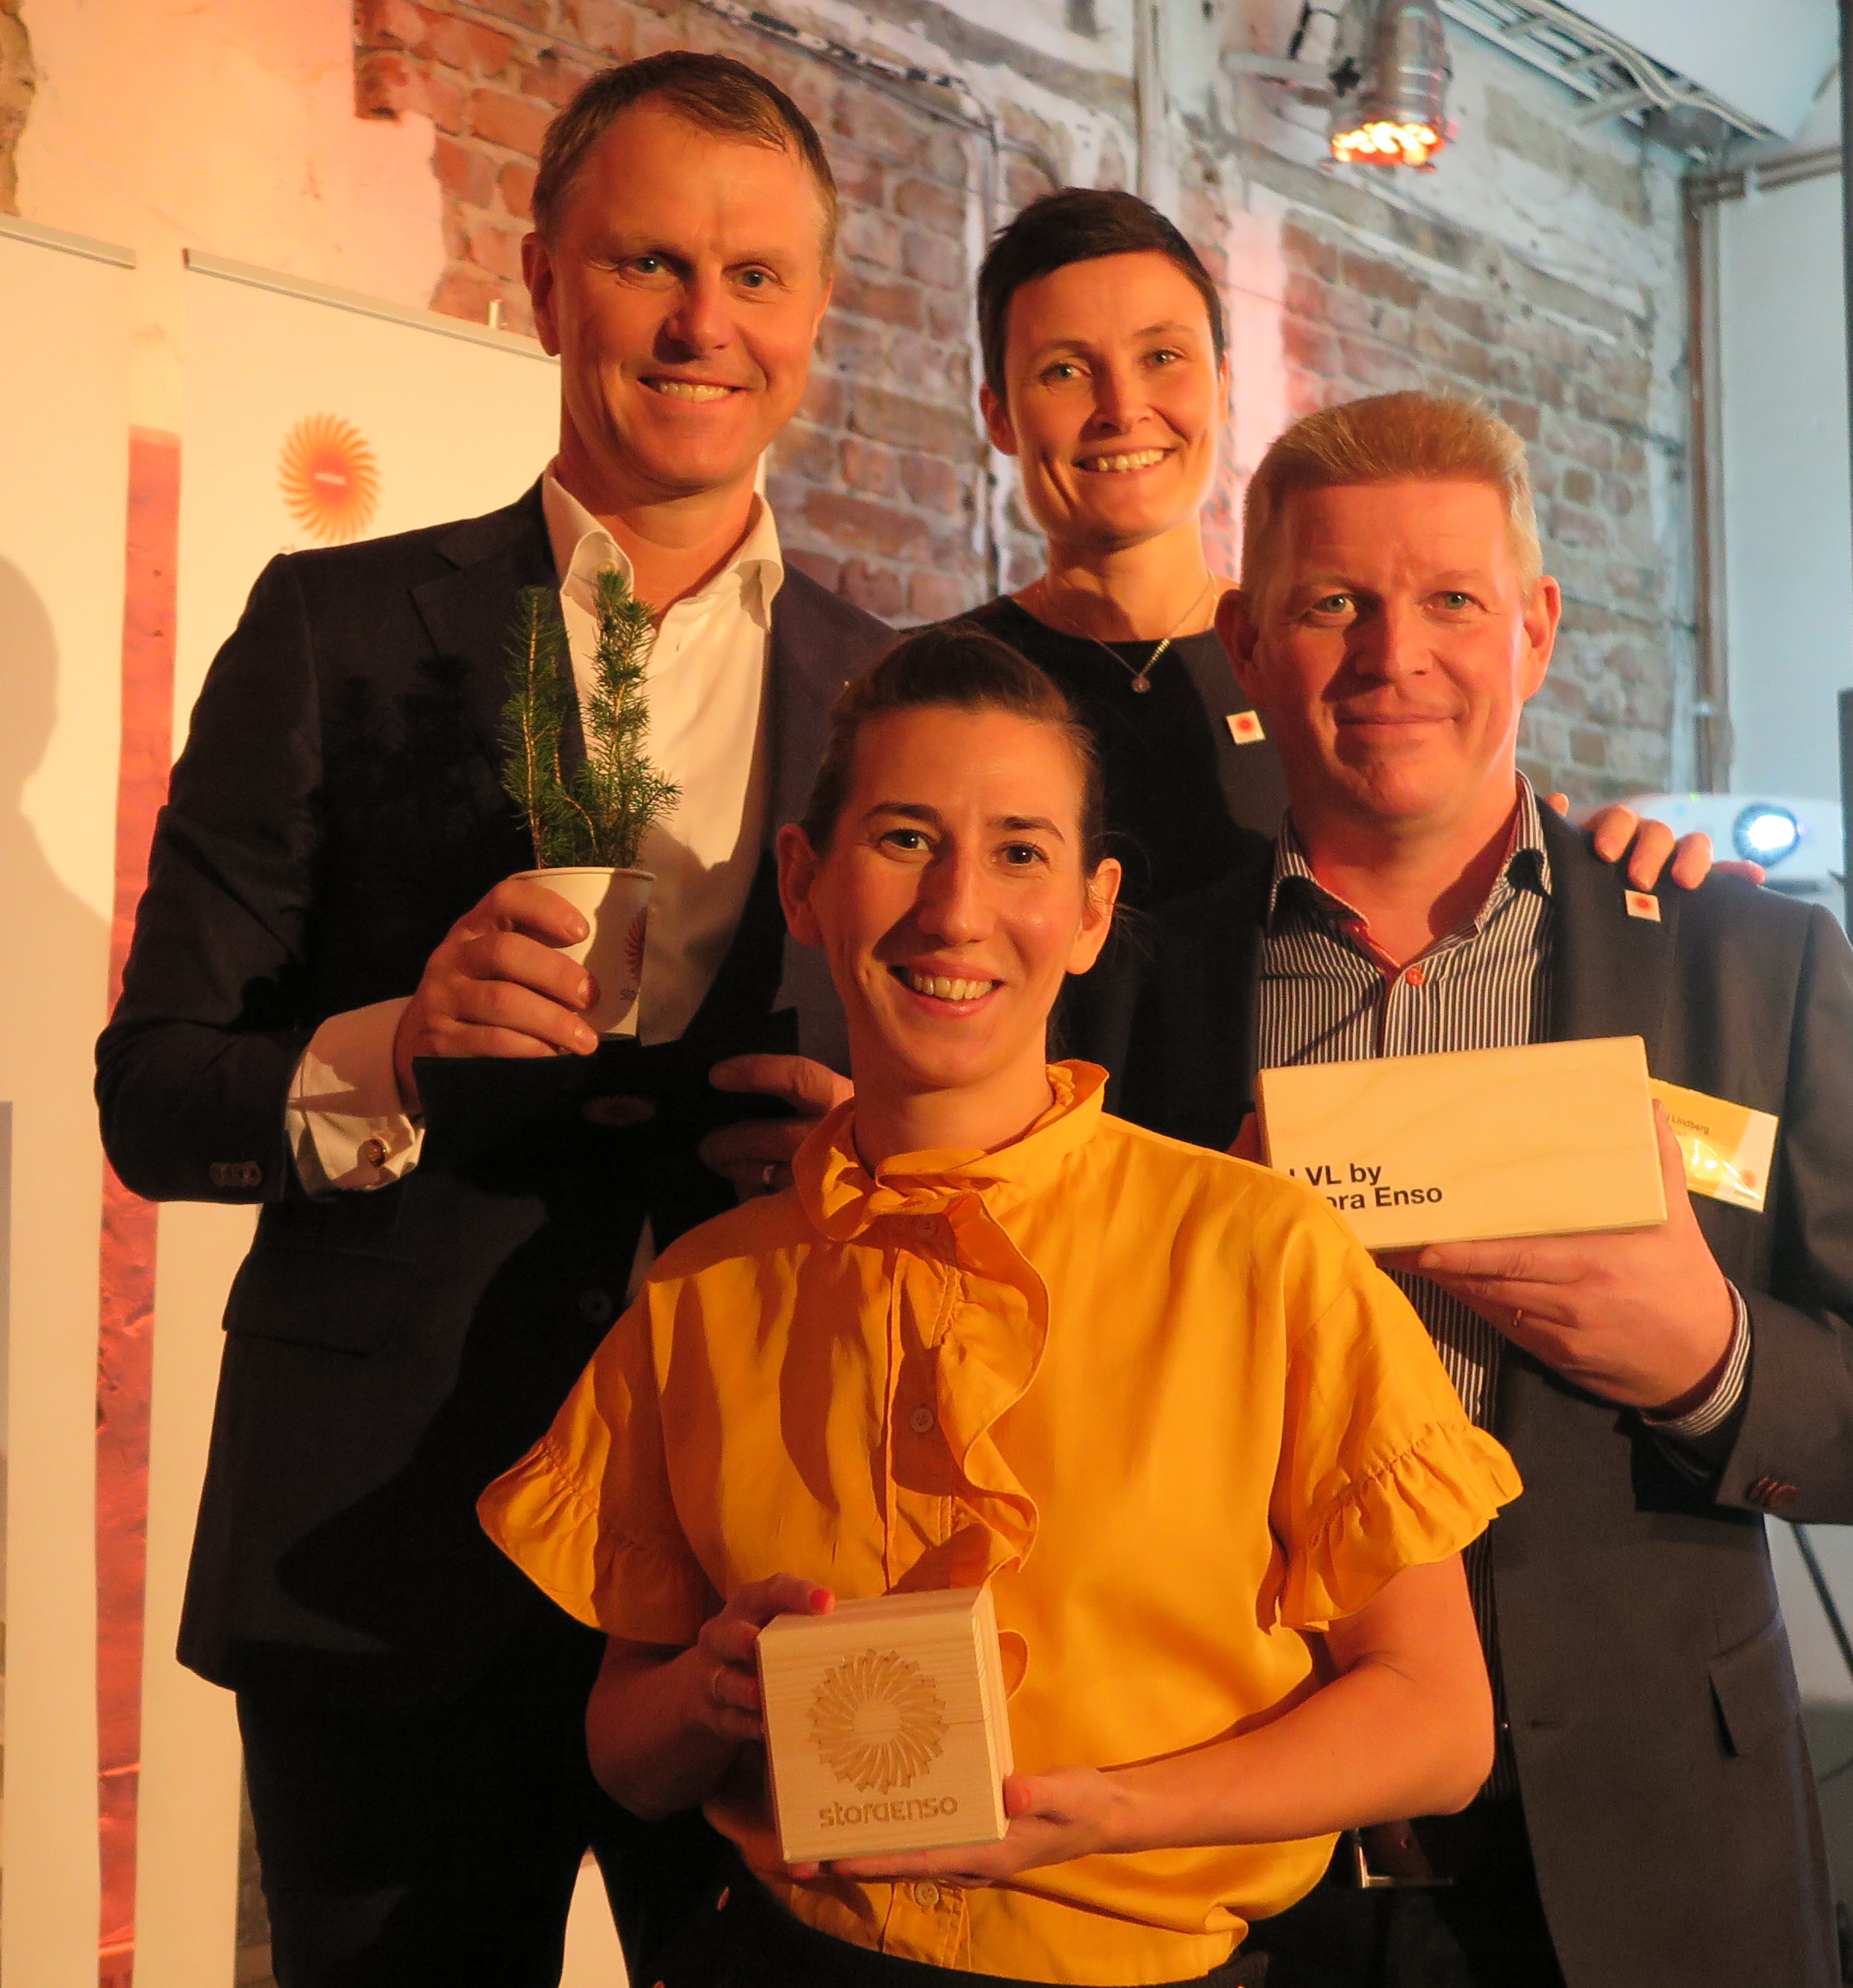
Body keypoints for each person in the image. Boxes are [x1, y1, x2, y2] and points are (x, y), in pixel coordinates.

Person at [95, 51, 892, 1987]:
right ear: (542, 283)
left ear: (815, 320)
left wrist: (868, 1153)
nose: (704, 323)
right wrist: (391, 1045)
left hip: (766, 1556)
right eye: (648, 264)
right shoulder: (332, 630)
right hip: (383, 1553)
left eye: (758, 277)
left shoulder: (897, 691)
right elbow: (157, 1094)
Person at [481, 622, 1525, 1986]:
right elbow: (628, 1752)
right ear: (803, 882)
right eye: (904, 838)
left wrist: (1115, 1815)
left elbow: (1437, 1725)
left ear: (1091, 912)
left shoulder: (1260, 1252)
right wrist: (709, 1688)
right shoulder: (702, 1293)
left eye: (1020, 852)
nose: (956, 909)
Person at [1101, 390, 1853, 1987]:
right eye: (1334, 604)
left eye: (1451, 598)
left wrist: (1713, 1359)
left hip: (1657, 1862)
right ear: (1246, 644)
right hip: (1242, 1860)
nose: (1395, 657)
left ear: (1536, 629)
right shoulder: (1123, 989)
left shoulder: (1749, 964)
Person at [961, 187, 1721, 913]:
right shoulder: (930, 689)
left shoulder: (1338, 674)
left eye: (1162, 357)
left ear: (1222, 387)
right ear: (999, 415)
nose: (1123, 409)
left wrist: (1611, 869)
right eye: (1064, 371)